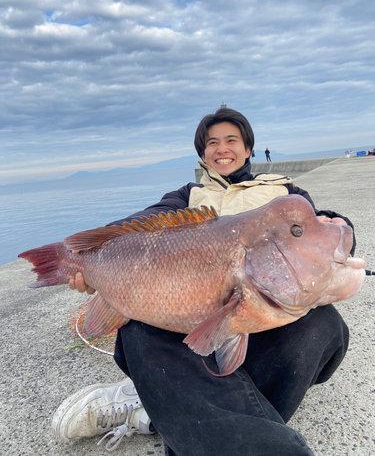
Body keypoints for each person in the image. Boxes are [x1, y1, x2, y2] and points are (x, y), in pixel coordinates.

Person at [53, 108, 353, 455]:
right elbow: (141, 222)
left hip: (261, 313)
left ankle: (164, 406)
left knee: (325, 326)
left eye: (231, 141)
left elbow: (320, 229)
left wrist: (342, 227)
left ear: (248, 150)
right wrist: (90, 257)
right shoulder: (186, 197)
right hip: (189, 323)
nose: (222, 148)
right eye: (212, 143)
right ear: (202, 155)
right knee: (138, 328)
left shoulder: (284, 191)